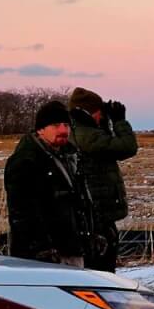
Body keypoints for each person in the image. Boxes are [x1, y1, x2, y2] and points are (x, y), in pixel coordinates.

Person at [5, 99, 91, 266]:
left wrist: (90, 235)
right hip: (44, 257)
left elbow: (81, 202)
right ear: (41, 129)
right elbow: (21, 211)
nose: (63, 130)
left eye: (66, 125)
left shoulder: (70, 157)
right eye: (56, 125)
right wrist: (40, 248)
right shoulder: (25, 161)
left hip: (72, 250)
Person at [66, 87, 137, 272]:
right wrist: (120, 121)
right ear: (89, 113)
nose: (100, 117)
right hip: (97, 214)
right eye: (98, 114)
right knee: (102, 271)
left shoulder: (80, 130)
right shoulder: (86, 134)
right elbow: (126, 147)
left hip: (93, 213)